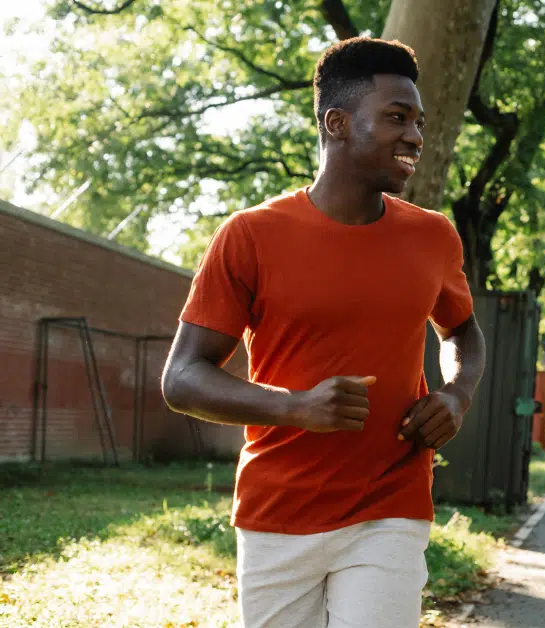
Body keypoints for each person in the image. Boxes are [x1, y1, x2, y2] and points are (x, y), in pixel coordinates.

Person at [161, 37, 486, 628]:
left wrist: (456, 395)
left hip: (390, 504)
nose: (415, 136)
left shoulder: (434, 236)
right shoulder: (250, 235)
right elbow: (182, 378)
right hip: (277, 510)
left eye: (418, 121)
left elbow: (462, 331)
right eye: (396, 118)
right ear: (337, 123)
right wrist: (295, 407)